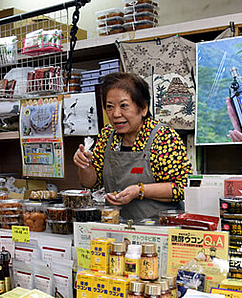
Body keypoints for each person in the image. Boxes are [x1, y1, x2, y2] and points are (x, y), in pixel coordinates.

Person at [73, 72, 192, 221]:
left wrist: (140, 190)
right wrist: (84, 165)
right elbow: (91, 183)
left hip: (158, 228)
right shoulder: (108, 136)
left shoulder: (163, 137)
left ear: (143, 108)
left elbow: (183, 188)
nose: (115, 114)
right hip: (116, 223)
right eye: (110, 107)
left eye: (124, 106)